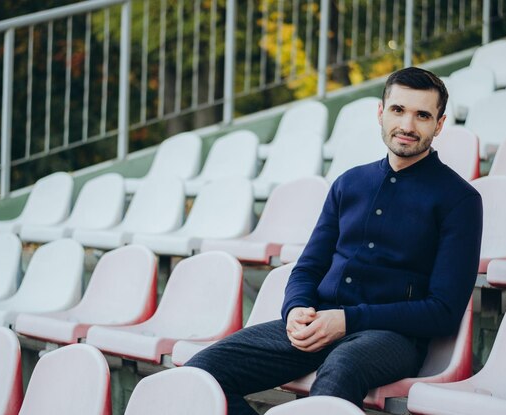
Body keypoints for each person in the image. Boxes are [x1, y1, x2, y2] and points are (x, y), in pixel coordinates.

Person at [186, 67, 483, 414]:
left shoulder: (459, 200)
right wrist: (295, 308)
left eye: (422, 115)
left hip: (390, 337)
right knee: (201, 373)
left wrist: (347, 320)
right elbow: (309, 266)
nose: (407, 126)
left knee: (340, 370)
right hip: (316, 323)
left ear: (439, 124)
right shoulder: (349, 183)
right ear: (381, 112)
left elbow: (444, 312)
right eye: (398, 110)